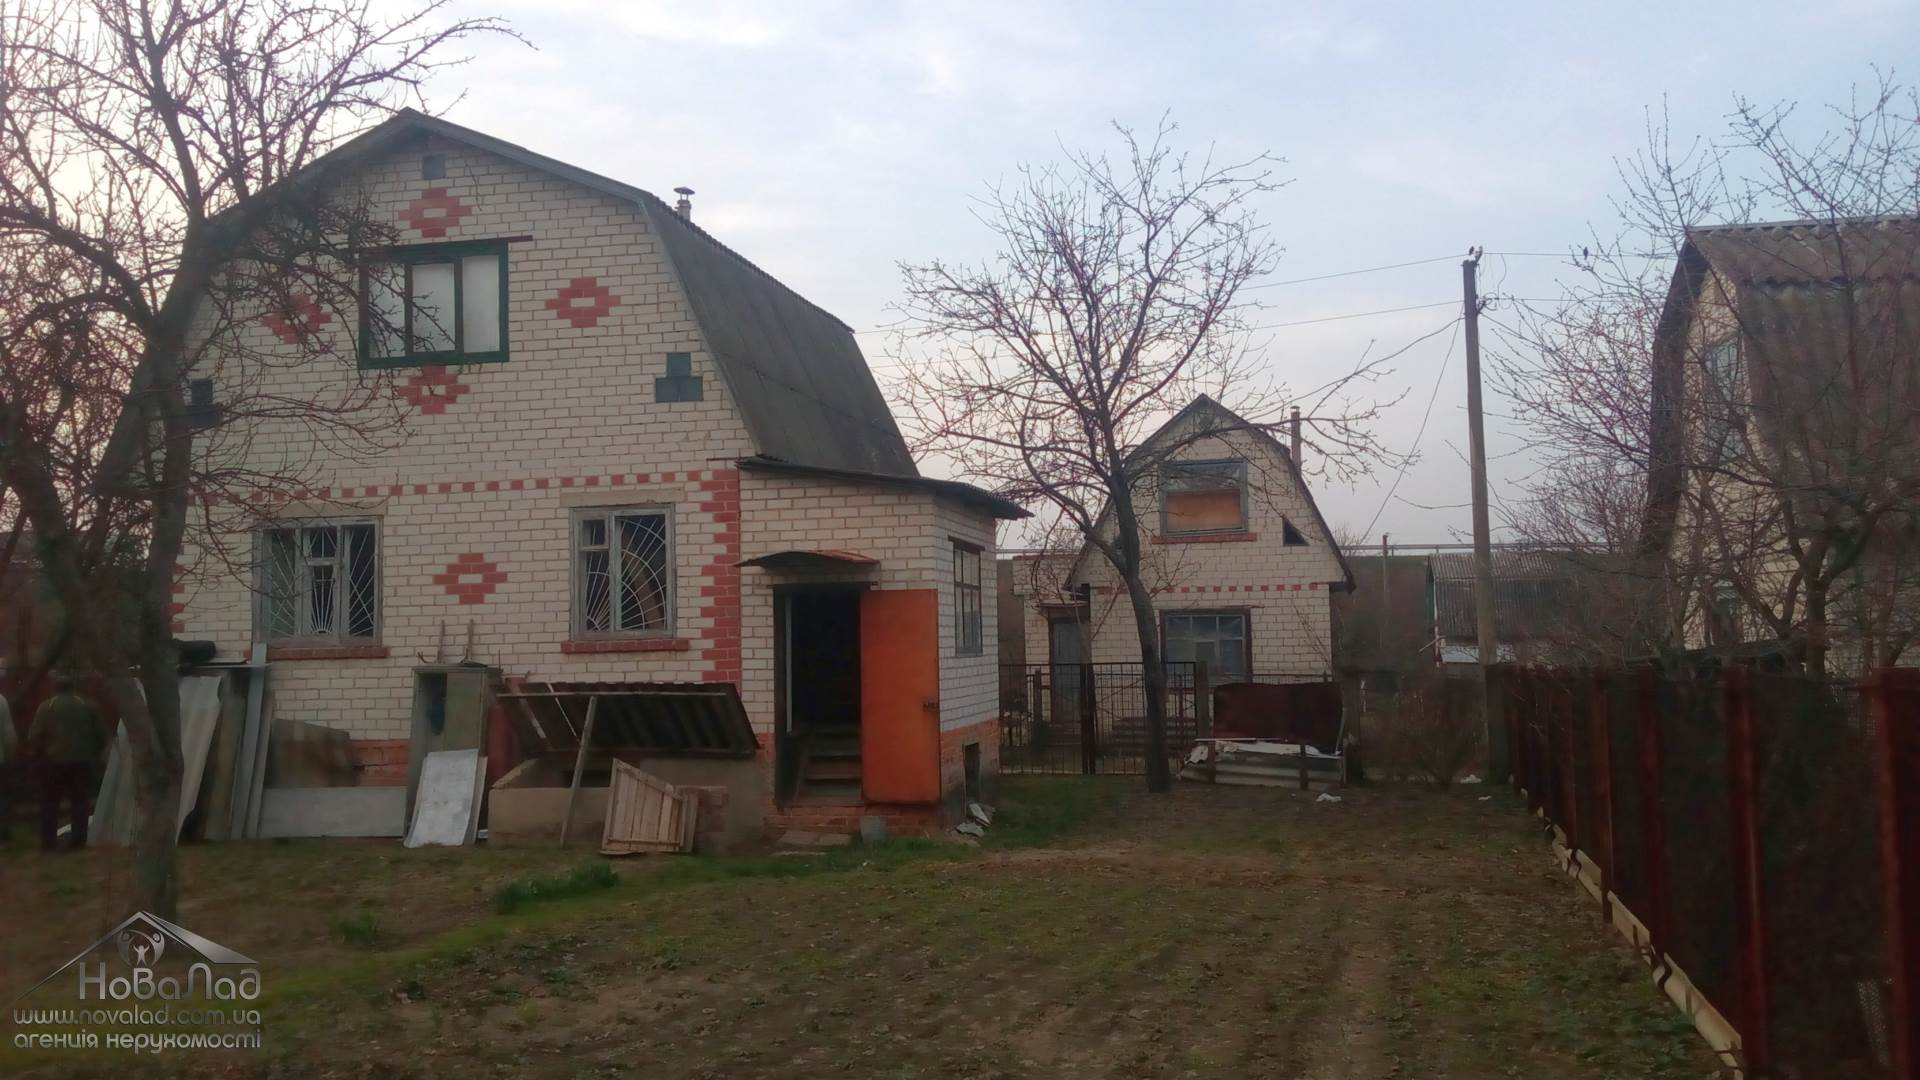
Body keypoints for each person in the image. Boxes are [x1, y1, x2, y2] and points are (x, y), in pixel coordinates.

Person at [30, 675, 104, 852]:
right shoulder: (88, 706)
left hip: (53, 763)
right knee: (80, 802)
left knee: (50, 803)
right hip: (82, 762)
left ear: (56, 688)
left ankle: (48, 843)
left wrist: (39, 755)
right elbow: (102, 735)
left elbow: (35, 735)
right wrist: (93, 753)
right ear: (73, 688)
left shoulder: (46, 707)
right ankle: (78, 841)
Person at [0, 690, 15, 849]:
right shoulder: (1, 700)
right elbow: (9, 735)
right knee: (2, 800)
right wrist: (10, 755)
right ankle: (3, 839)